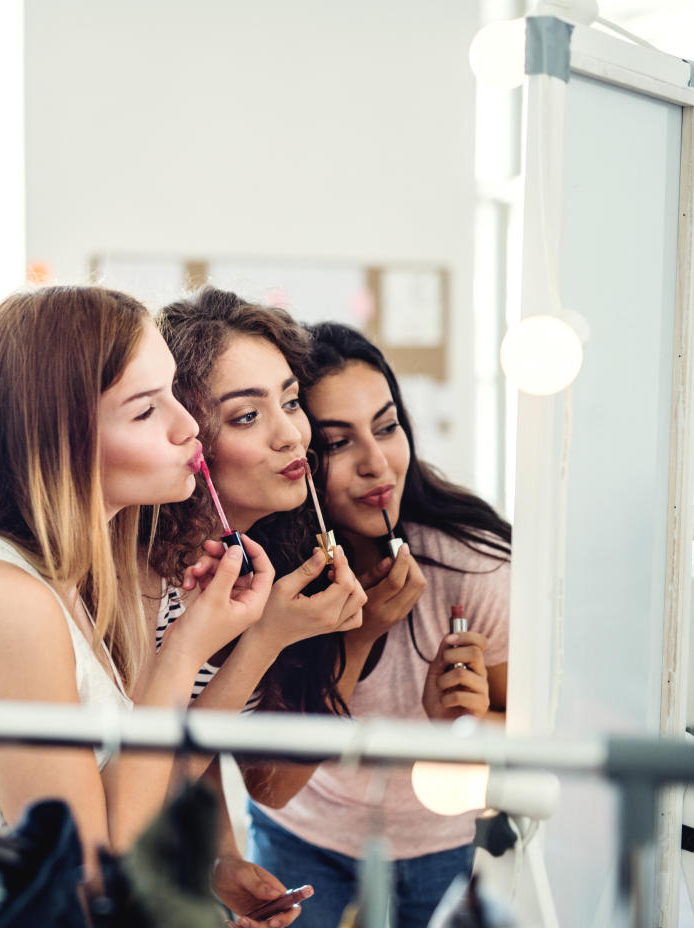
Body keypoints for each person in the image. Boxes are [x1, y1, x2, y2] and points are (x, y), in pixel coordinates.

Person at [0, 285, 276, 883]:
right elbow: (90, 876)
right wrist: (187, 649)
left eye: (173, 394)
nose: (189, 428)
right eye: (144, 410)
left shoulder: (70, 584)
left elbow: (128, 802)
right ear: (62, 438)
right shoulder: (1, 598)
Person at [244, 322, 510, 928]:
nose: (376, 463)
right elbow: (271, 785)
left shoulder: (475, 565)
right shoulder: (262, 577)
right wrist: (359, 637)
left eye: (386, 427)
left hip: (436, 837)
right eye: (337, 443)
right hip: (300, 830)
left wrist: (459, 728)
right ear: (298, 458)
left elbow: (533, 730)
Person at [145, 288, 367, 927]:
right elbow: (151, 773)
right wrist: (265, 639)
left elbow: (200, 747)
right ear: (188, 435)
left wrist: (220, 861)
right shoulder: (149, 576)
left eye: (291, 401)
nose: (291, 434)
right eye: (246, 416)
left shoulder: (264, 548)